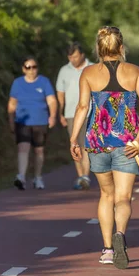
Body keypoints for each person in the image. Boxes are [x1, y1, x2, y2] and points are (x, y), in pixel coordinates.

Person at [69, 26, 139, 270]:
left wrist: (74, 139)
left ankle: (107, 249)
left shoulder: (88, 73)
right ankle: (120, 235)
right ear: (121, 47)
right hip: (127, 144)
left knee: (106, 195)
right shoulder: (134, 71)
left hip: (97, 143)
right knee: (123, 197)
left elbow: (83, 108)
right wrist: (138, 138)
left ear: (99, 48)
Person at [7, 56, 57, 190]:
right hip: (22, 121)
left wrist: (52, 116)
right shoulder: (17, 83)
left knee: (39, 150)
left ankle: (37, 177)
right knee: (23, 147)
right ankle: (21, 176)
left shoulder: (44, 82)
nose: (31, 70)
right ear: (23, 69)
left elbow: (51, 100)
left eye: (34, 67)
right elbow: (12, 104)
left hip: (40, 121)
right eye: (28, 67)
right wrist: (11, 121)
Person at [56, 42, 94, 190]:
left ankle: (85, 176)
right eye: (70, 57)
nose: (73, 59)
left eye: (75, 56)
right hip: (71, 113)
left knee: (86, 146)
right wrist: (60, 113)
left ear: (82, 55)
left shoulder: (92, 68)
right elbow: (60, 93)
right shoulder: (64, 70)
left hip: (89, 112)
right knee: (75, 146)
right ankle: (81, 176)